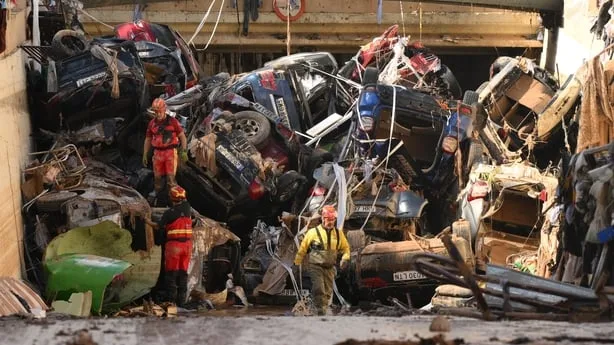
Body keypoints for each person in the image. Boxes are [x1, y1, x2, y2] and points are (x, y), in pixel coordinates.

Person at [294, 205, 351, 315]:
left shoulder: (339, 234)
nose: (331, 222)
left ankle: (317, 309)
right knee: (319, 288)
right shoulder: (312, 233)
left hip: (329, 267)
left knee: (328, 293)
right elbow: (303, 249)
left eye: (333, 219)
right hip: (316, 266)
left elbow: (346, 248)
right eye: (328, 219)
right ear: (323, 219)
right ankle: (320, 312)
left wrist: (345, 258)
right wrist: (297, 263)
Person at [148, 185, 193, 306]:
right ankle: (182, 302)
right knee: (183, 274)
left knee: (171, 275)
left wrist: (146, 220)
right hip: (187, 246)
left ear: (171, 198)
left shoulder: (169, 213)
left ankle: (171, 301)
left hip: (174, 246)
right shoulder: (187, 208)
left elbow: (158, 226)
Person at [143, 98, 188, 202]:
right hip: (158, 153)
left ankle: (175, 198)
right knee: (157, 176)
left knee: (170, 178)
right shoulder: (152, 123)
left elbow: (182, 136)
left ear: (164, 110)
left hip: (170, 153)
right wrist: (145, 154)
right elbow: (148, 138)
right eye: (156, 112)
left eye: (159, 111)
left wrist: (184, 150)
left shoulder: (173, 122)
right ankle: (157, 192)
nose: (158, 114)